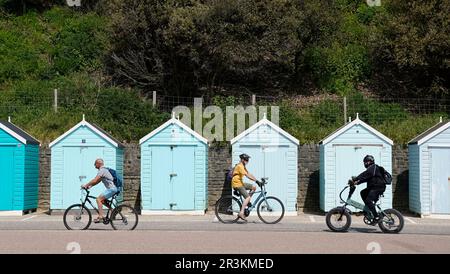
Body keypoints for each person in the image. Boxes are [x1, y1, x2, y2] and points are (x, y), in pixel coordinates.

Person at [350, 155, 386, 224]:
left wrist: (356, 178)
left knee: (368, 200)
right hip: (374, 187)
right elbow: (366, 178)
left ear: (369, 162)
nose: (365, 163)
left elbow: (365, 174)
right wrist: (356, 183)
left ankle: (376, 217)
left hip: (378, 187)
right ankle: (368, 209)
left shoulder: (373, 167)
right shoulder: (371, 169)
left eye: (365, 162)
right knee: (363, 192)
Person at [81, 158, 118, 223]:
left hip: (112, 189)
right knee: (102, 201)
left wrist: (86, 185)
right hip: (113, 189)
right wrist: (90, 186)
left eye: (95, 163)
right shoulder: (104, 170)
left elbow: (95, 180)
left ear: (99, 164)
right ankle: (113, 210)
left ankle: (100, 216)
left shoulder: (102, 170)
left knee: (98, 199)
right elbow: (97, 181)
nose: (94, 165)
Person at [231, 153, 258, 221]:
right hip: (237, 183)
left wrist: (257, 181)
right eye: (246, 159)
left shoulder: (243, 166)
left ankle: (247, 202)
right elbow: (247, 176)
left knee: (254, 187)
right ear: (242, 159)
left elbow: (249, 173)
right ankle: (241, 212)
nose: (247, 161)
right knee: (247, 197)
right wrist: (256, 181)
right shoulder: (240, 166)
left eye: (248, 159)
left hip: (241, 182)